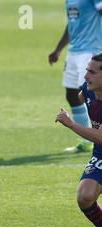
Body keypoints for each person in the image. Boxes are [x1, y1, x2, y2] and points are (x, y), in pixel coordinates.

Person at [56, 53, 102, 227]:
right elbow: (79, 98)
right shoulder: (89, 90)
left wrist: (71, 124)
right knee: (84, 197)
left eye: (92, 72)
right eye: (86, 70)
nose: (86, 76)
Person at [49, 0, 102, 153]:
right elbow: (72, 25)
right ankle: (86, 141)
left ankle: (97, 137)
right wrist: (58, 49)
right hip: (73, 51)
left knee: (90, 93)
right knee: (72, 95)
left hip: (90, 50)